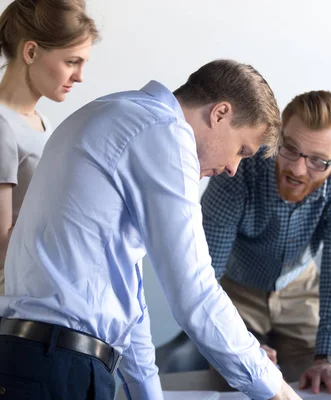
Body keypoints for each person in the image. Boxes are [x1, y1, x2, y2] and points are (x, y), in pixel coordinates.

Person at [0, 59, 301, 400]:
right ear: (220, 114)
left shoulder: (110, 113)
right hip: (60, 365)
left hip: (32, 358)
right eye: (242, 150)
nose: (233, 168)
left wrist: (147, 394)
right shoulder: (164, 131)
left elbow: (125, 293)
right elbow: (196, 292)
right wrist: (275, 391)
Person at [201, 90, 331, 393]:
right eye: (289, 149)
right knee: (240, 381)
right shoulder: (242, 161)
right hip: (236, 293)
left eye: (318, 161)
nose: (297, 169)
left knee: (314, 383)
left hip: (299, 289)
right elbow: (206, 266)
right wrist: (239, 347)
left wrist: (327, 356)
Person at [0, 0, 97, 295]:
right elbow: (1, 246)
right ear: (31, 52)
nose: (80, 76)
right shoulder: (2, 126)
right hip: (13, 294)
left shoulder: (43, 123)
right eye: (71, 62)